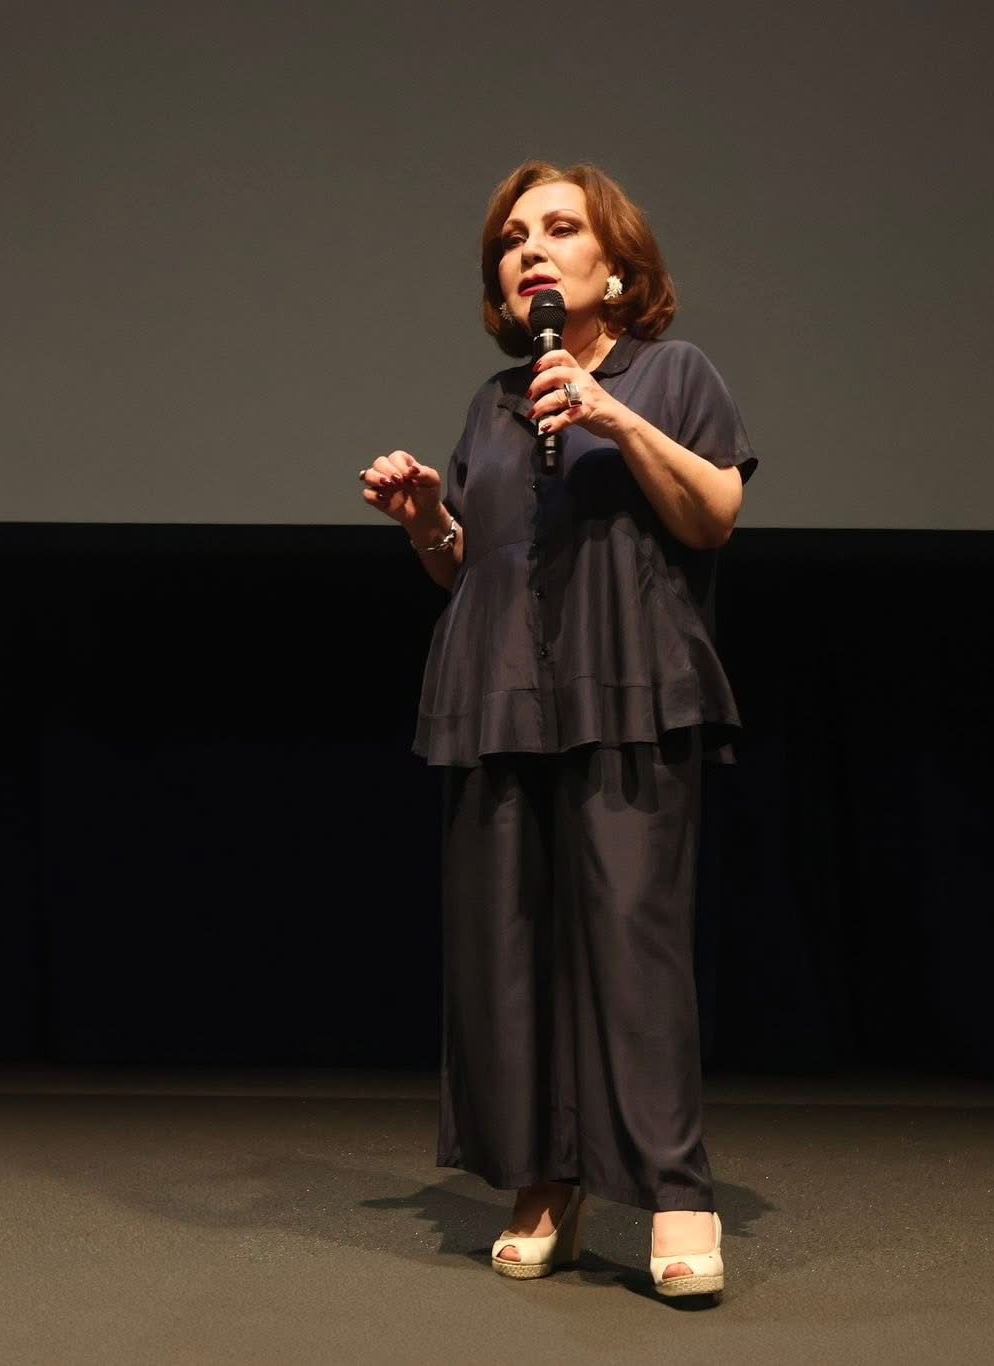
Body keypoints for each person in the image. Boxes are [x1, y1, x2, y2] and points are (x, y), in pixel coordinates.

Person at [359, 160, 756, 1298]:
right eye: (511, 238)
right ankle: (543, 1183)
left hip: (626, 682)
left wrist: (608, 411)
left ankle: (675, 1190)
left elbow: (715, 514)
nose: (529, 248)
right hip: (498, 693)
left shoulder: (670, 372)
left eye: (559, 228)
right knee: (506, 947)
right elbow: (471, 566)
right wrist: (426, 519)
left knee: (632, 942)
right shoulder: (492, 402)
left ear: (614, 267)